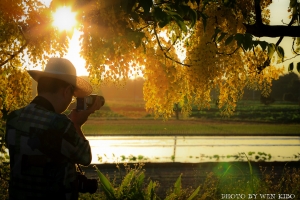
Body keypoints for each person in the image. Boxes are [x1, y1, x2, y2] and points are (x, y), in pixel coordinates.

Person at [5, 58, 101, 200]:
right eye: (72, 96)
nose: (70, 101)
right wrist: (76, 124)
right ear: (67, 91)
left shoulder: (14, 118)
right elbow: (85, 157)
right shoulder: (61, 124)